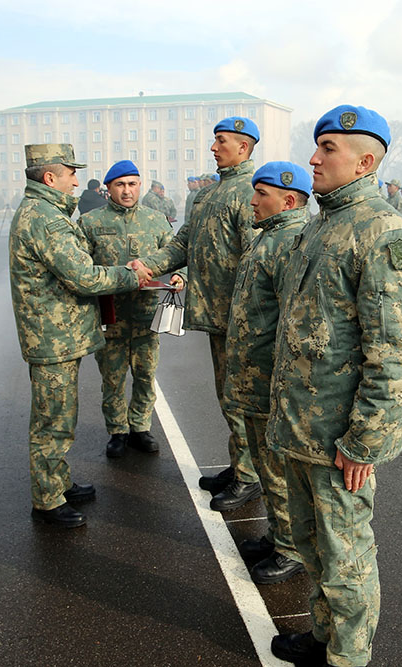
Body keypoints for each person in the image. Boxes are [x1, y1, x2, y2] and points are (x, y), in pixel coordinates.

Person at [268, 104, 402, 667]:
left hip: (338, 439)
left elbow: (396, 356)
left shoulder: (383, 236)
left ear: (365, 161)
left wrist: (365, 442)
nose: (313, 157)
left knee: (345, 558)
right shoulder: (324, 223)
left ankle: (349, 657)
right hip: (299, 427)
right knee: (313, 550)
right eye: (316, 146)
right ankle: (323, 637)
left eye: (328, 148)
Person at [9, 144, 148, 528]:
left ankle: (59, 481)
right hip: (52, 338)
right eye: (70, 173)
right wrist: (128, 275)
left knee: (61, 416)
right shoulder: (45, 219)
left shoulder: (45, 212)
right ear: (50, 178)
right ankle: (48, 500)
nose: (75, 180)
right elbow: (84, 276)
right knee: (53, 421)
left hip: (56, 336)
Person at [132, 116, 261, 511]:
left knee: (240, 398)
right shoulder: (208, 195)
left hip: (240, 320)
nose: (213, 147)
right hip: (216, 316)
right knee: (227, 396)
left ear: (243, 147)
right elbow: (183, 243)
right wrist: (150, 265)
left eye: (221, 141)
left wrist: (252, 315)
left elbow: (258, 262)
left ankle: (249, 476)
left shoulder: (251, 194)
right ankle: (240, 465)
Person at [223, 161, 310, 586]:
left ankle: (291, 548)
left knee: (276, 470)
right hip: (252, 378)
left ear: (288, 200)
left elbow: (292, 323)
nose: (252, 202)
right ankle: (278, 535)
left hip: (268, 380)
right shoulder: (269, 237)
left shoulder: (290, 242)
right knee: (263, 461)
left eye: (261, 194)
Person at [79, 160, 184, 458]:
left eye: (133, 184)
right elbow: (81, 267)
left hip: (146, 313)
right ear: (108, 188)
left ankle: (140, 427)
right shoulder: (90, 223)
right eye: (120, 185)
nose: (127, 191)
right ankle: (117, 431)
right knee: (112, 377)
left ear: (140, 185)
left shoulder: (156, 220)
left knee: (145, 373)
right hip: (110, 315)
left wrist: (180, 275)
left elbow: (177, 253)